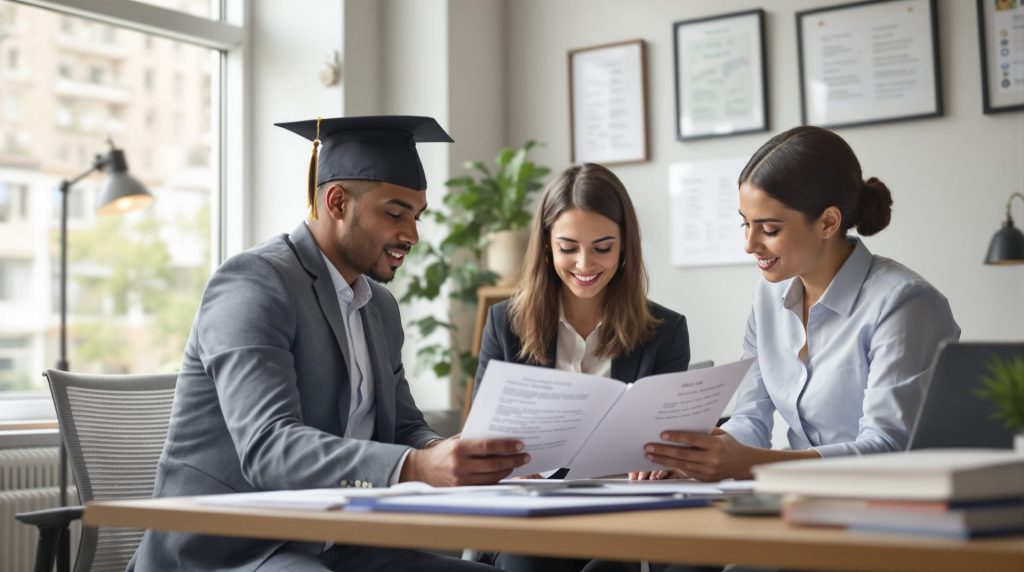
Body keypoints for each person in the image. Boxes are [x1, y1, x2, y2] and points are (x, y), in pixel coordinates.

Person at [129, 116, 529, 572]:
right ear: (337, 202)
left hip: (346, 546)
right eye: (395, 214)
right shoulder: (255, 283)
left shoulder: (379, 305)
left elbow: (402, 430)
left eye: (417, 218)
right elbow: (268, 447)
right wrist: (418, 467)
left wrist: (458, 454)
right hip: (236, 551)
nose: (412, 236)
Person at [644, 125, 961, 483]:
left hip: (894, 508)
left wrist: (749, 463)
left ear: (828, 222)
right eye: (745, 224)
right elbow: (750, 419)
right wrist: (696, 456)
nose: (749, 245)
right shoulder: (767, 298)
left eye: (769, 229)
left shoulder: (904, 303)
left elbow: (888, 446)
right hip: (797, 500)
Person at [472, 163, 691, 572]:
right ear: (547, 245)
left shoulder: (666, 331)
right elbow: (480, 441)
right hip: (532, 516)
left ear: (625, 246)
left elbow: (667, 441)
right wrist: (506, 471)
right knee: (530, 562)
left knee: (615, 565)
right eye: (568, 248)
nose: (585, 264)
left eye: (602, 247)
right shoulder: (505, 324)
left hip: (624, 514)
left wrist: (665, 459)